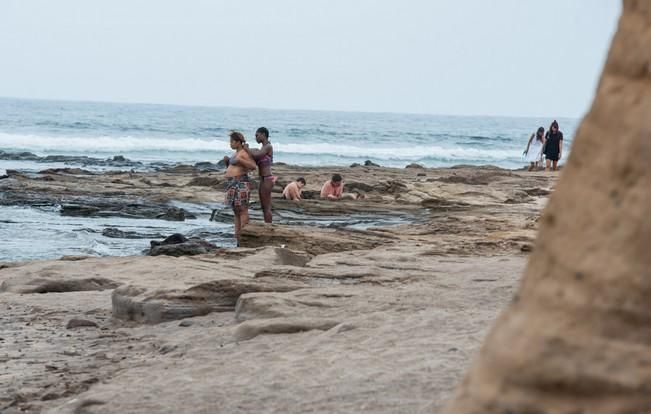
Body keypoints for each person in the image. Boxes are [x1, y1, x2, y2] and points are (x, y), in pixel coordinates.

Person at [222, 131, 256, 246]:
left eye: (232, 142)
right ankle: (237, 236)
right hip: (233, 183)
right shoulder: (236, 153)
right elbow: (233, 167)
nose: (230, 144)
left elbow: (252, 166)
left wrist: (240, 160)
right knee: (236, 211)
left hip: (241, 183)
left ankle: (243, 236)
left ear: (237, 142)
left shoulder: (243, 153)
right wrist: (227, 163)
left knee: (242, 210)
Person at [245, 127, 274, 223]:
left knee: (266, 207)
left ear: (263, 135)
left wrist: (247, 149)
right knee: (263, 206)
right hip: (263, 179)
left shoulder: (268, 147)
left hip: (267, 179)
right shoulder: (262, 148)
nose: (255, 138)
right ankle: (267, 224)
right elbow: (254, 158)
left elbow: (257, 155)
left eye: (257, 135)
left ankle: (269, 226)